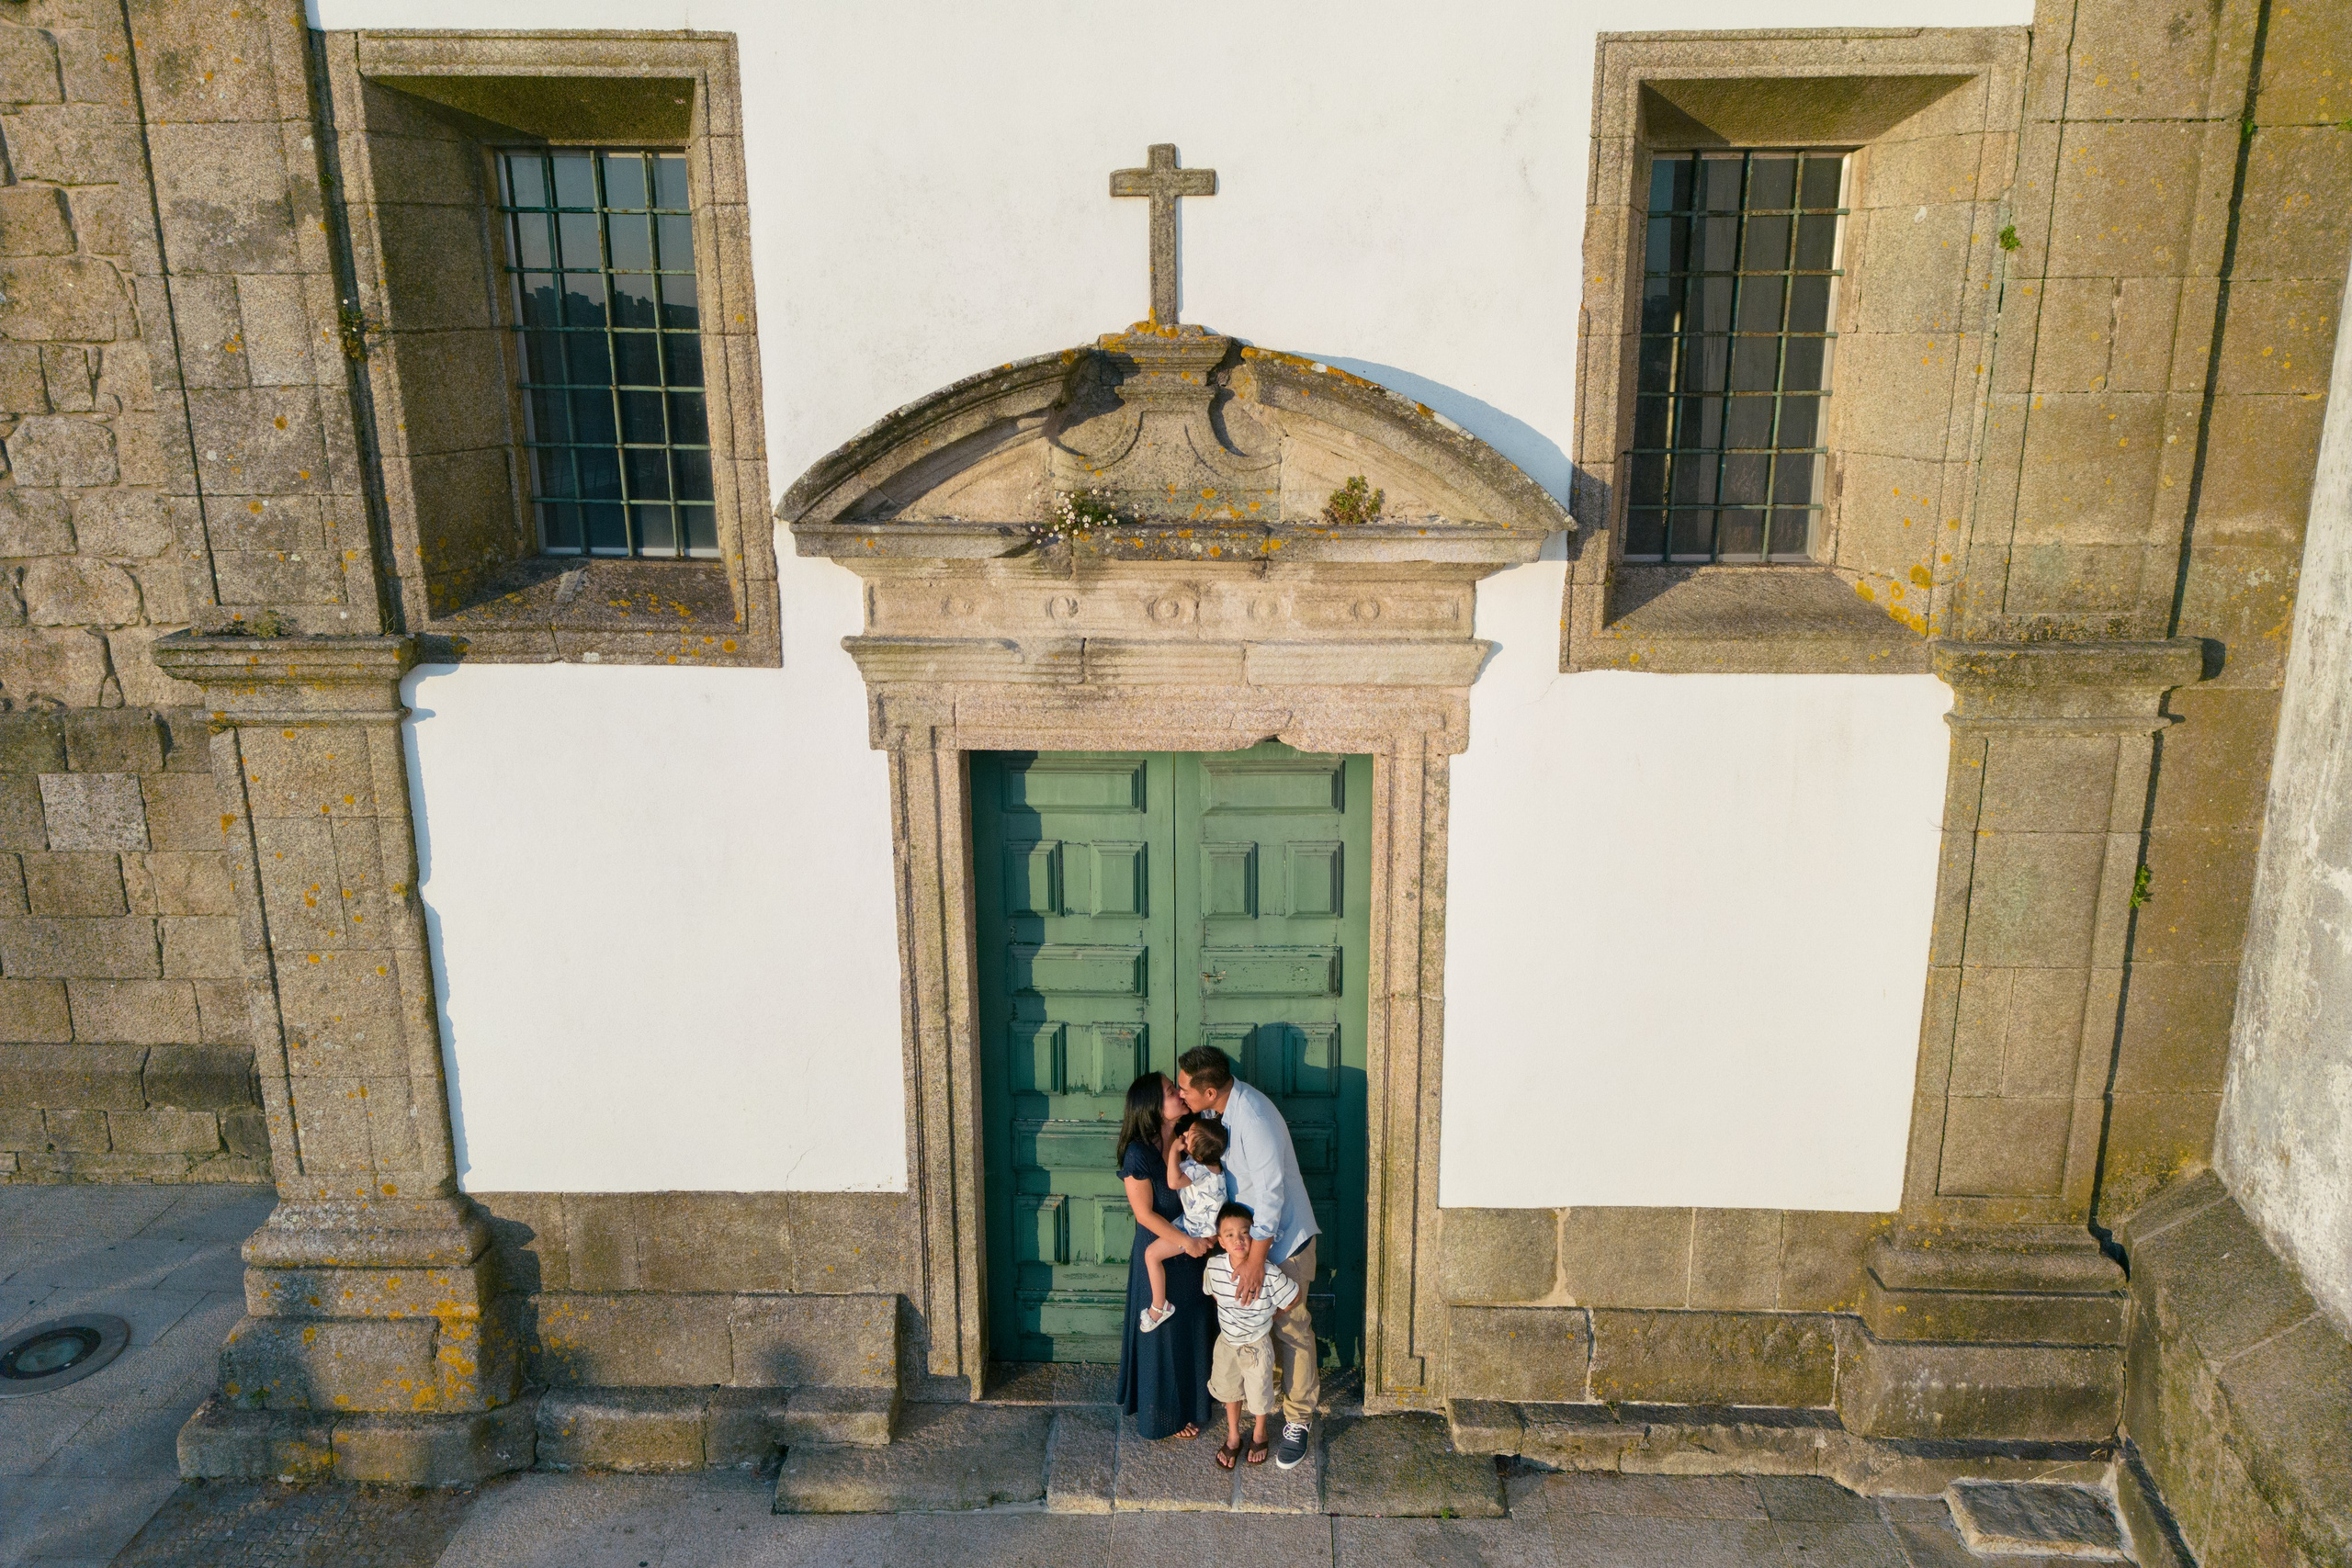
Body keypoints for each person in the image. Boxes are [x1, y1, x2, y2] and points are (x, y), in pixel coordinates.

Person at [1176, 1043, 1321, 1471]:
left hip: (1280, 1246)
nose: (1182, 1094)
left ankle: (1298, 1421)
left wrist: (1256, 1260)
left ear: (1208, 1091)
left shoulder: (1252, 1119)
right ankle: (1260, 1415)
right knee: (1257, 1335)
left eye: (1186, 1088)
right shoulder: (1216, 1112)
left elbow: (1272, 1193)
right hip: (1247, 1245)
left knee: (1293, 1330)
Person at [1112, 1071, 1216, 1441]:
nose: (1180, 1094)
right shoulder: (1138, 1152)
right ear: (1154, 1107)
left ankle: (1193, 1405)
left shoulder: (1190, 1130)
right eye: (1172, 1091)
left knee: (1192, 1327)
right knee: (1164, 1335)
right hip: (1164, 1247)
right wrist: (1186, 1242)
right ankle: (1164, 1416)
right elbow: (1144, 1214)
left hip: (1192, 1248)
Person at [1201, 1200, 1299, 1470]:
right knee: (1230, 1390)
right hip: (1227, 1343)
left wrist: (1274, 1315)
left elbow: (1293, 1296)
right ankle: (1233, 1435)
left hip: (1257, 1344)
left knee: (1259, 1394)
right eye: (1230, 1235)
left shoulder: (1267, 1272)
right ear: (1221, 1240)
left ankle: (1259, 1432)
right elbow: (1214, 1294)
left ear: (1254, 1234)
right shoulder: (1215, 1268)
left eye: (1245, 1232)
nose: (1238, 1240)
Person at [1139, 1112, 1229, 1333]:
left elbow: (1173, 1181)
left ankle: (1160, 1306)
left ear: (1198, 1153)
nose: (1185, 1134)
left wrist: (1173, 1153)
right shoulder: (1212, 1167)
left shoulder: (1198, 1169)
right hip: (1201, 1226)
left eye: (1190, 1135)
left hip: (1195, 1230)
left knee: (1151, 1255)